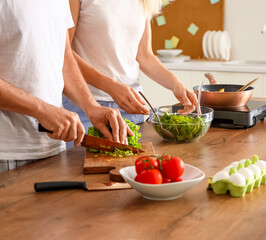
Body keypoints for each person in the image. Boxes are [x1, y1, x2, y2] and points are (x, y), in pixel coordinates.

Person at [0, 0, 131, 173]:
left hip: (53, 148)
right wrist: (41, 110)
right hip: (7, 152)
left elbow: (63, 55)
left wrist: (91, 106)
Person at [63, 0, 198, 148]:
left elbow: (144, 55)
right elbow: (63, 52)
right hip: (86, 106)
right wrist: (111, 88)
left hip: (131, 107)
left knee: (133, 169)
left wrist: (175, 84)